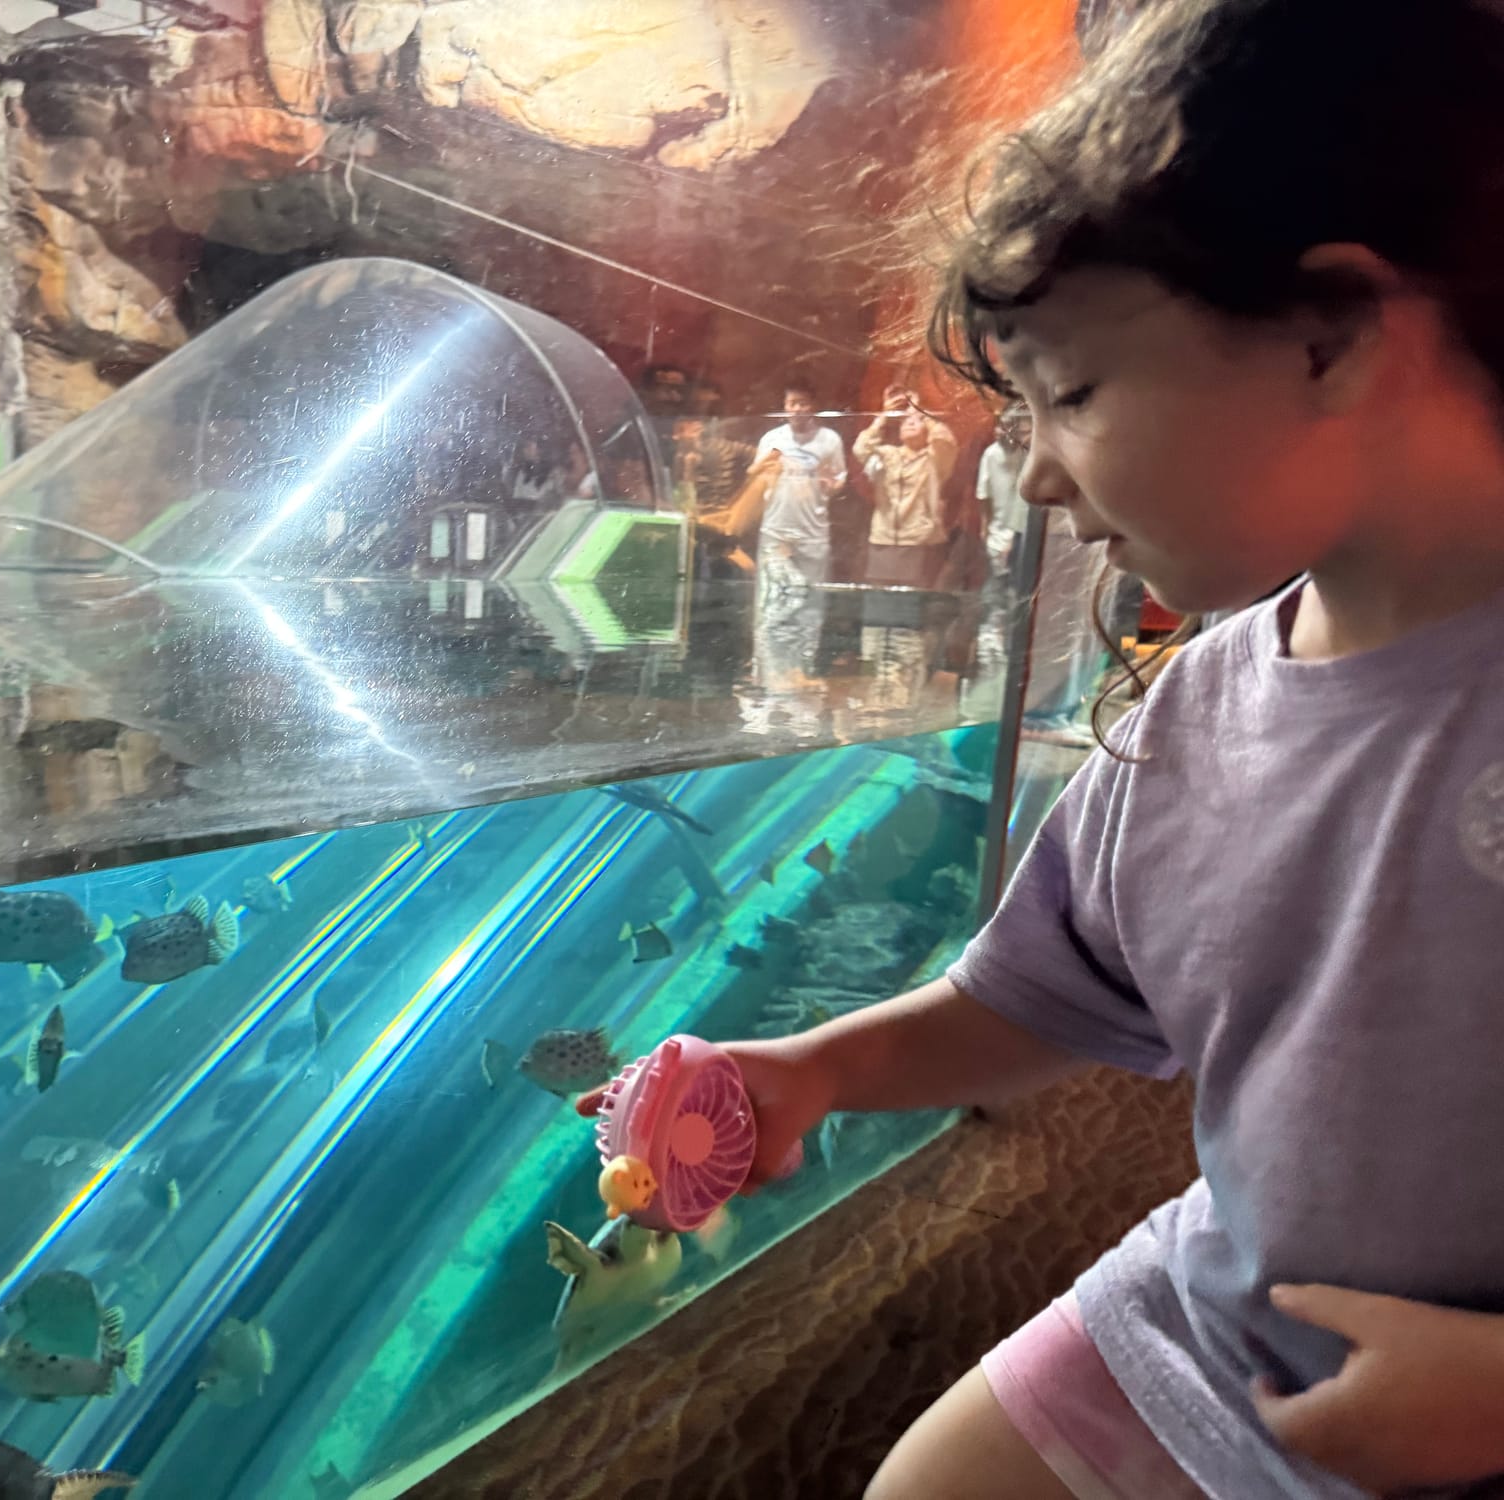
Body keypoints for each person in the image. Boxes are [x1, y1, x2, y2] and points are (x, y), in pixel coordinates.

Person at [581, 2, 1504, 1495]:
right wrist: (814, 1071)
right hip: (1220, 1323)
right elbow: (1039, 994)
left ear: (1329, 335)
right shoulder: (1198, 709)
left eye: (1069, 394)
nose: (1031, 478)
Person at [854, 386, 961, 587]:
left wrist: (920, 412)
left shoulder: (934, 459)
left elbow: (945, 440)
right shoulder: (888, 454)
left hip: (920, 541)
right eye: (906, 420)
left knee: (915, 598)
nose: (911, 422)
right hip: (883, 538)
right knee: (879, 598)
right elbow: (861, 448)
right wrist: (885, 415)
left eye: (917, 421)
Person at [749, 384, 847, 589]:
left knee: (812, 592)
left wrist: (831, 485)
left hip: (812, 530)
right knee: (771, 591)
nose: (797, 409)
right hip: (776, 529)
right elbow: (755, 477)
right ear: (784, 406)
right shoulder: (771, 439)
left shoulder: (830, 439)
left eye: (803, 403)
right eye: (792, 403)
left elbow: (839, 478)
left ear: (813, 406)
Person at [977, 401, 1032, 581]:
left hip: (1021, 535)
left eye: (1010, 427)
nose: (1003, 432)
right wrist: (985, 530)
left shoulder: (1028, 455)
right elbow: (984, 496)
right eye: (1001, 426)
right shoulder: (990, 454)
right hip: (997, 537)